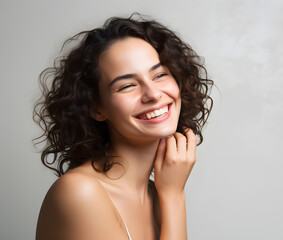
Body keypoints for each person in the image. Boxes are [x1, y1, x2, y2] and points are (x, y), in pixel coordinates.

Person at [33, 14, 213, 240]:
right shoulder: (79, 193)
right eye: (127, 85)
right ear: (97, 108)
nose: (153, 94)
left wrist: (168, 195)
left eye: (159, 75)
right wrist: (174, 197)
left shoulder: (154, 193)